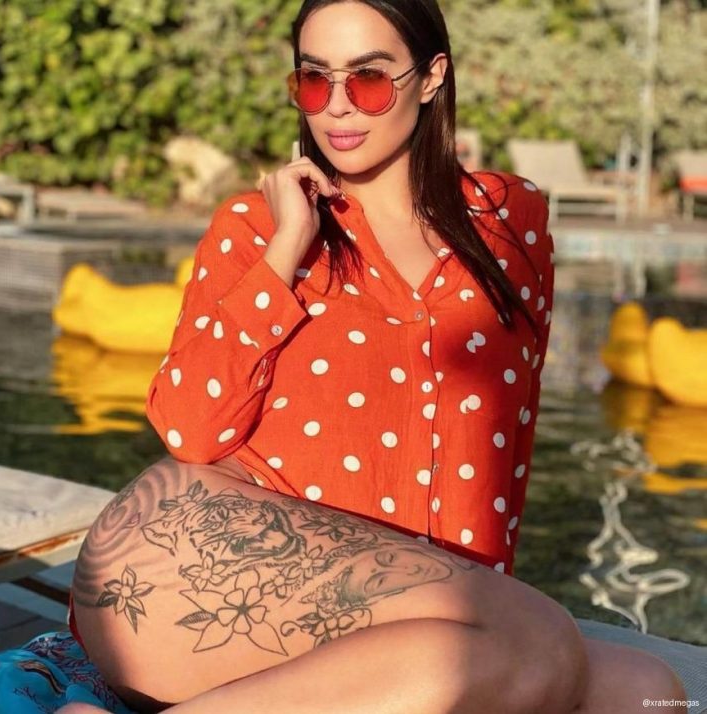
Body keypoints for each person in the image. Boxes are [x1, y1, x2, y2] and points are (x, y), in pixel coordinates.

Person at [58, 1, 688, 712]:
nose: (336, 106)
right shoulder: (256, 226)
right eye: (313, 79)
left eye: (367, 79)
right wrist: (285, 252)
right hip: (192, 561)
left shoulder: (512, 221)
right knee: (534, 641)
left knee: (646, 692)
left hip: (404, 609)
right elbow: (187, 428)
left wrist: (476, 609)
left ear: (432, 77)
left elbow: (504, 443)